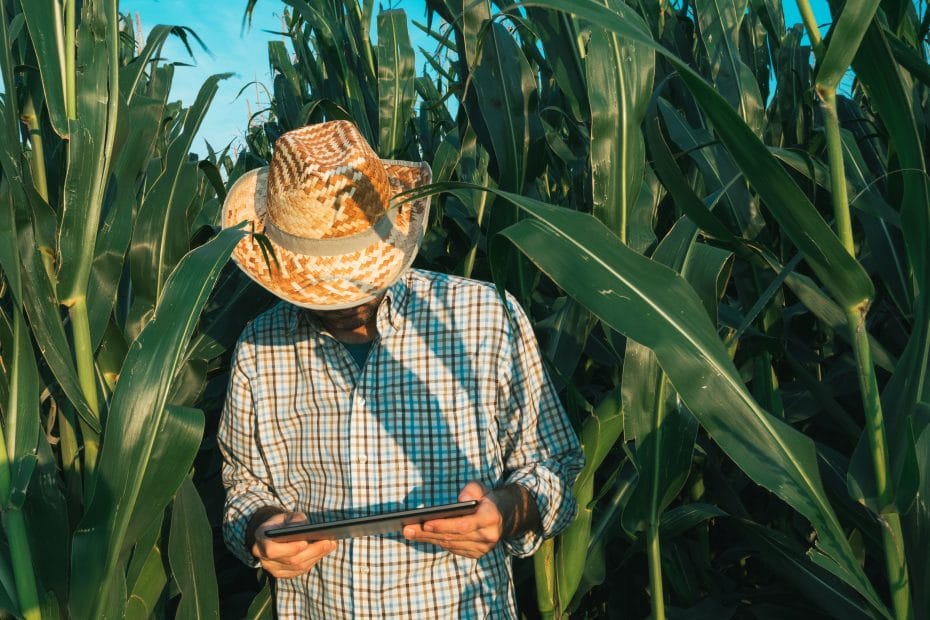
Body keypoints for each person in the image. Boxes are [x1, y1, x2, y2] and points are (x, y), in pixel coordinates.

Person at [218, 120, 583, 619]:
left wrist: (506, 512)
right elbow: (244, 484)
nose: (345, 299)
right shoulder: (260, 347)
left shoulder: (483, 317)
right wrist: (262, 529)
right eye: (324, 284)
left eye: (356, 274)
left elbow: (555, 467)